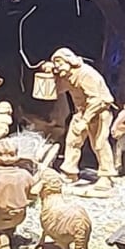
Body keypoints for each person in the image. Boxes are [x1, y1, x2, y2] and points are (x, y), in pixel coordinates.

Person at [46, 48, 115, 179]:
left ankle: (107, 176)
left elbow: (97, 100)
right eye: (55, 63)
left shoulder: (86, 74)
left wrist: (85, 121)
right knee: (73, 141)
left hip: (98, 111)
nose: (57, 66)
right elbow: (58, 90)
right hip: (81, 112)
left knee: (99, 144)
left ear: (69, 60)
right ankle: (70, 172)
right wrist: (52, 75)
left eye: (59, 62)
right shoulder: (67, 75)